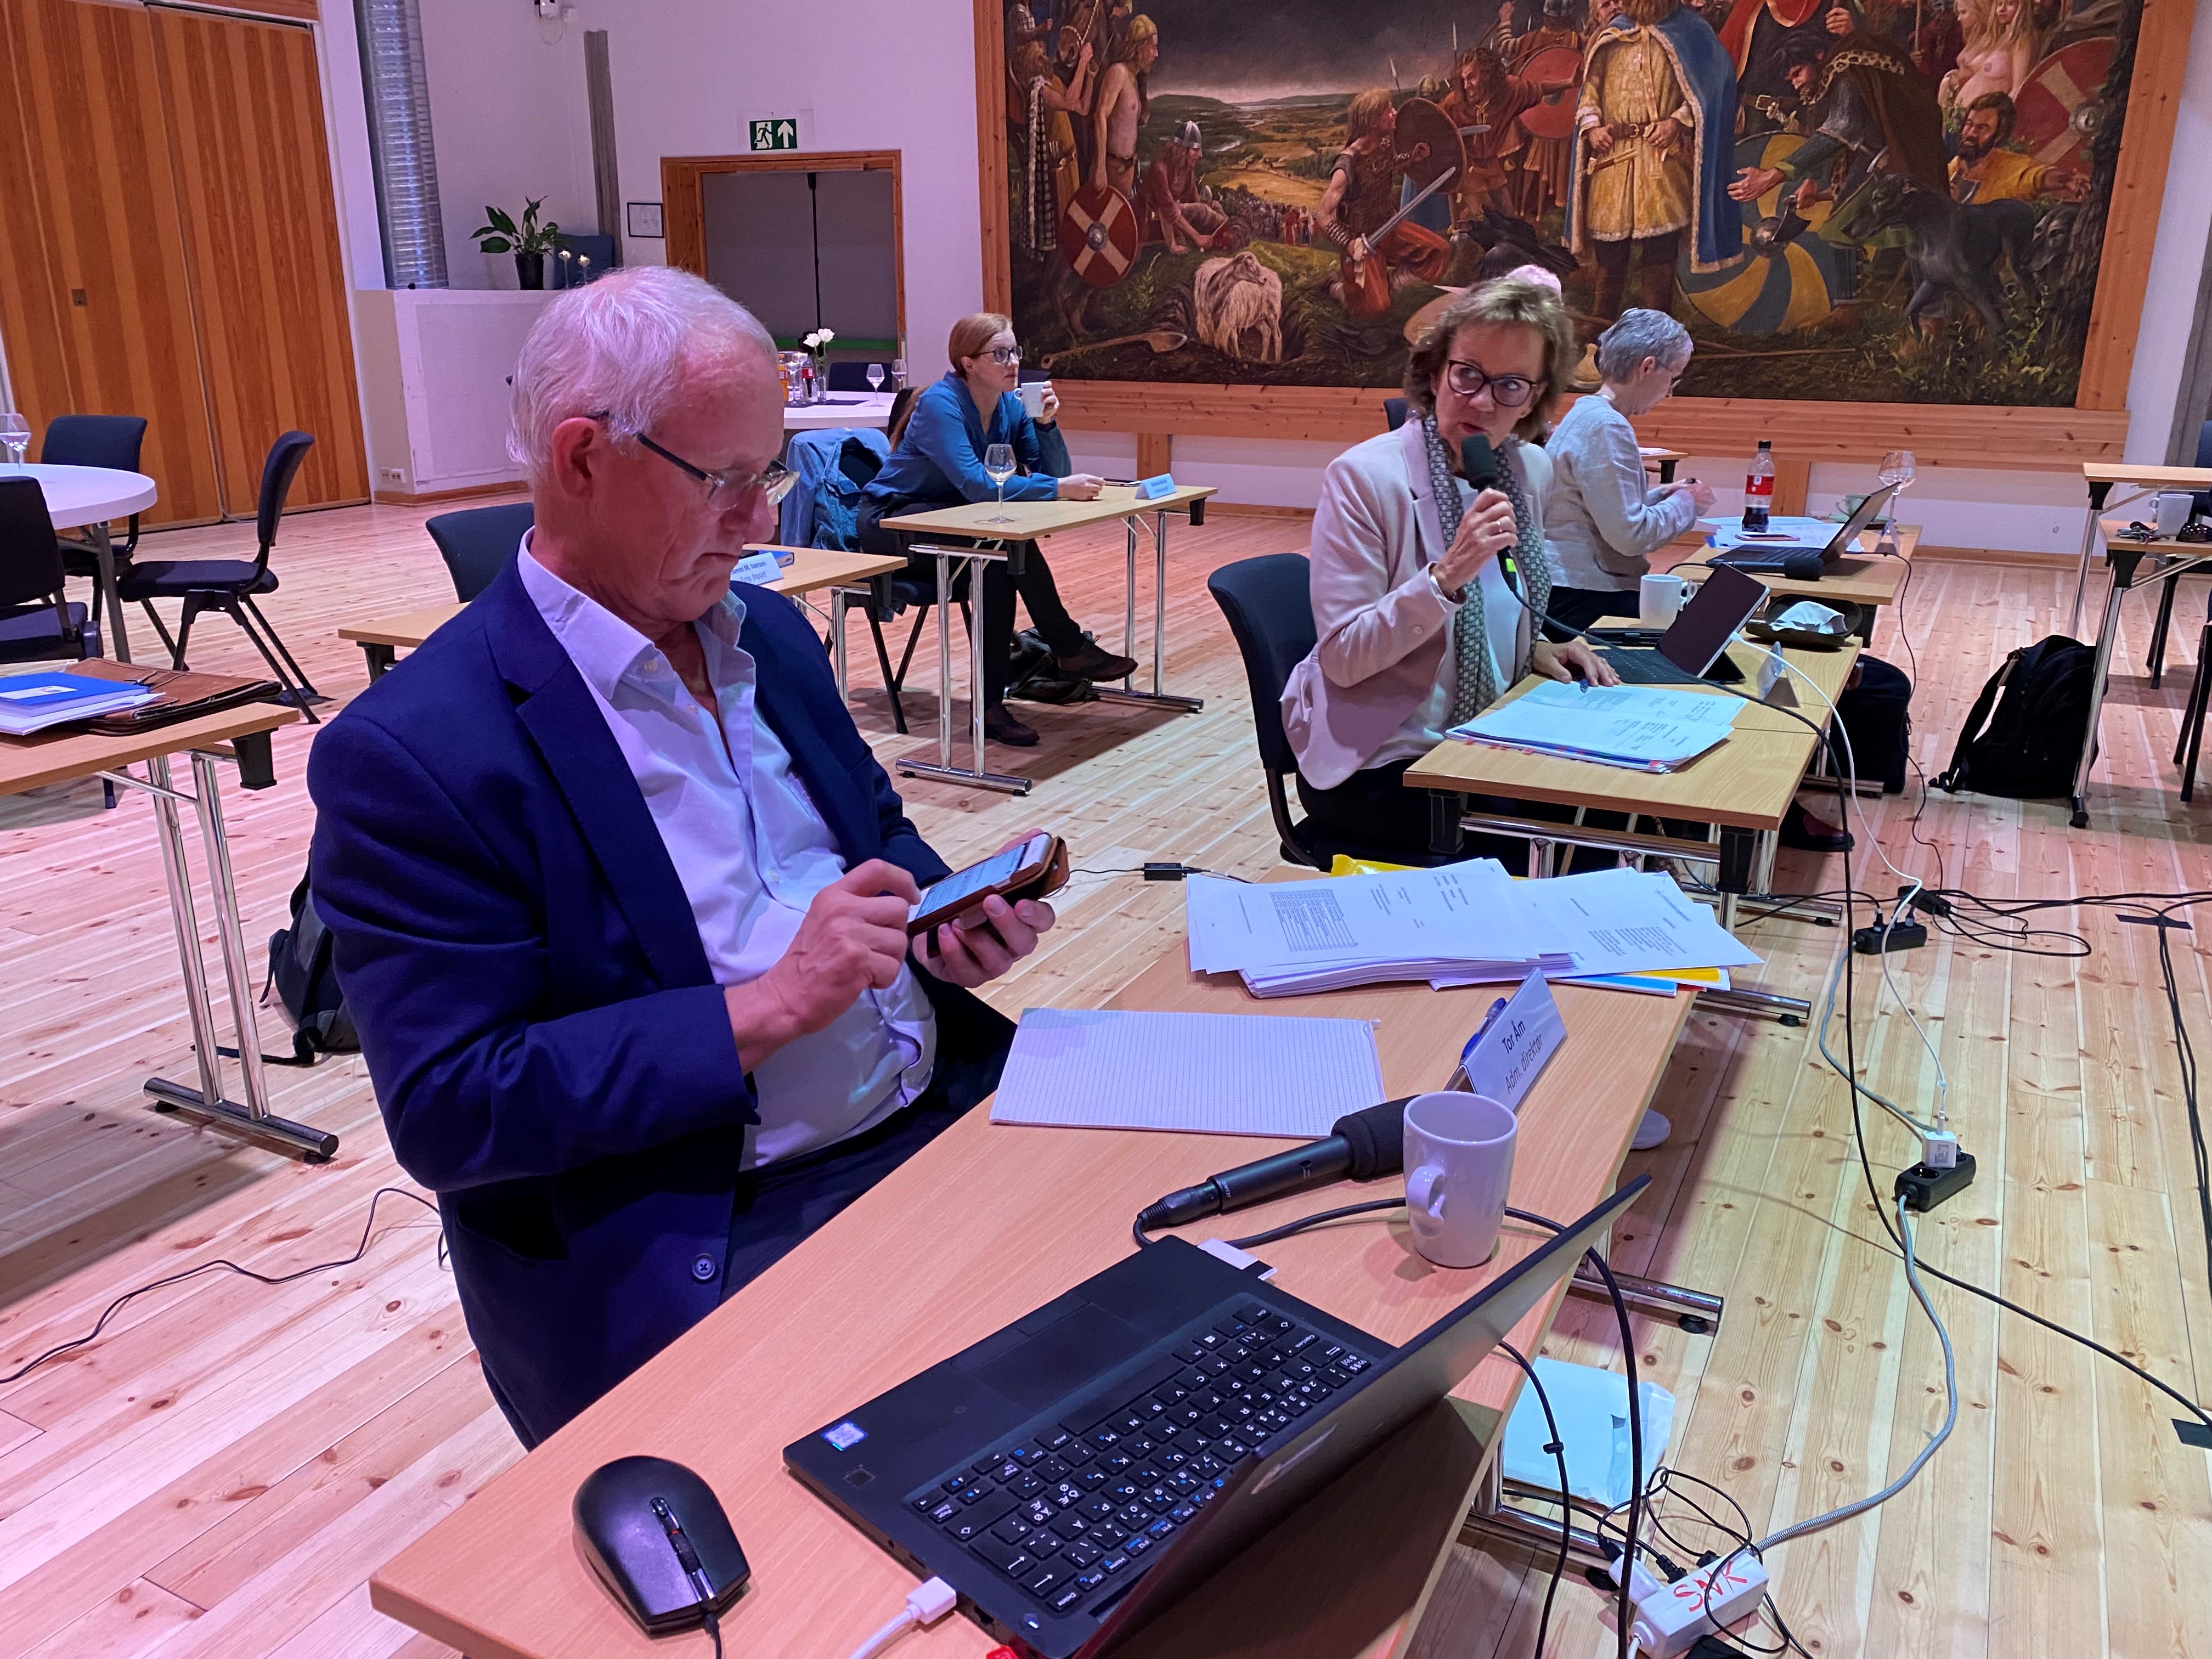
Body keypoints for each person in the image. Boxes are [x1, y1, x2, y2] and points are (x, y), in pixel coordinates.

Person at [307, 269, 1056, 1448]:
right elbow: (455, 1105)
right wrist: (768, 1006)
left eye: (769, 477)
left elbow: (872, 828)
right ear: (581, 458)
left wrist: (936, 917)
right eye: (724, 481)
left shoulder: (771, 637)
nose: (760, 522)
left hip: (945, 1105)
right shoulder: (419, 752)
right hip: (721, 1220)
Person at [1280, 278, 1618, 864]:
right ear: (1436, 373)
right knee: (1585, 845)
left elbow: (1501, 604)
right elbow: (1343, 658)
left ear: (1534, 399)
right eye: (1468, 375)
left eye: (1510, 385)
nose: (1483, 402)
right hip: (1383, 762)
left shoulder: (1529, 471)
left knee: (1621, 803)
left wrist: (1535, 647)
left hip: (1486, 737)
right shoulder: (1364, 478)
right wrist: (1444, 578)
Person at [858, 313, 1136, 748]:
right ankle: (1062, 652)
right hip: (894, 523)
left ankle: (1000, 701)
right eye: (1000, 354)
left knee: (999, 561)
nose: (1013, 363)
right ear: (968, 363)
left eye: (1015, 352)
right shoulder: (940, 404)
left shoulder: (1010, 403)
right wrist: (1059, 488)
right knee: (998, 557)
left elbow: (1052, 473)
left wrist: (1045, 425)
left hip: (955, 520)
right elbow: (979, 484)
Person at [1570, 0, 1746, 321]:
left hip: (1661, 160)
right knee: (1610, 253)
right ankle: (1600, 324)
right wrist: (1593, 128)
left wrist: (1677, 122)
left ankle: (1658, 329)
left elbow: (1712, 86)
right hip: (1613, 159)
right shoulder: (1613, 35)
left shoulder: (1690, 31)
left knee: (1659, 251)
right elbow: (1590, 89)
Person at [1544, 309, 1716, 630]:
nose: (1670, 392)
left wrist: (1664, 494)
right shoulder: (1606, 425)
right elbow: (1630, 536)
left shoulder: (1588, 414)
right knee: (1703, 628)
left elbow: (1603, 510)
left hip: (1575, 591)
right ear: (1647, 367)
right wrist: (1687, 503)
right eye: (1673, 377)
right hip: (1584, 596)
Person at [1318, 88, 1452, 318]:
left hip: (1390, 228)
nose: (1395, 113)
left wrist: (1412, 158)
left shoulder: (1384, 146)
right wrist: (1349, 244)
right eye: (1388, 111)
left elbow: (1387, 166)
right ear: (1372, 121)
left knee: (1439, 252)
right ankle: (1338, 289)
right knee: (1376, 309)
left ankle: (1390, 284)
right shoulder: (1347, 165)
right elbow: (1323, 215)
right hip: (1363, 243)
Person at [1949, 90, 2089, 203]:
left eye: (1982, 128)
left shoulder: (2009, 167)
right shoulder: (1951, 166)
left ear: (1999, 135)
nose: (1971, 134)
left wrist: (2063, 180)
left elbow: (2035, 177)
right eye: (1969, 124)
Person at [1091, 13, 1157, 198]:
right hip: (1111, 169)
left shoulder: (1133, 79)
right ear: (1139, 47)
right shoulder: (1118, 72)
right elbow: (1100, 115)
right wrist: (1100, 168)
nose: (1156, 54)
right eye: (1153, 47)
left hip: (1126, 171)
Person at [1138, 121, 1229, 251]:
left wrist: (1210, 207)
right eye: (1195, 150)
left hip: (1172, 215)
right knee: (1202, 210)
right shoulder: (1160, 169)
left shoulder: (1187, 168)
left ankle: (1226, 226)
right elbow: (1168, 209)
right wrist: (1196, 236)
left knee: (1213, 206)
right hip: (1153, 217)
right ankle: (1227, 227)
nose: (1200, 155)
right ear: (1182, 149)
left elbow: (1192, 199)